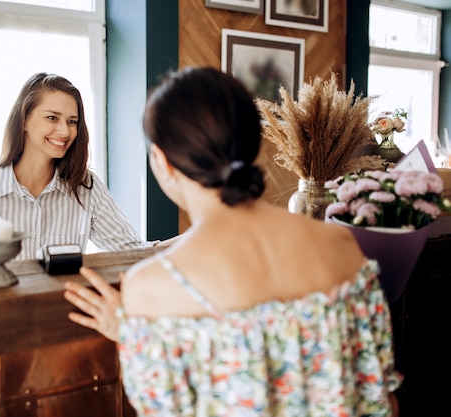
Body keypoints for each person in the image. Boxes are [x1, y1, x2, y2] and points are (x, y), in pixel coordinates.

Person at [64, 66, 401, 416]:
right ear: (256, 143)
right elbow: (382, 400)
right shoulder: (341, 245)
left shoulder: (151, 288)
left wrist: (139, 337)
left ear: (162, 162)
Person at [0, 72, 156, 260]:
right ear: (24, 121)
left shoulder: (85, 188)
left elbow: (133, 252)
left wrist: (190, 238)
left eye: (72, 121)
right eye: (52, 118)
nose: (65, 131)